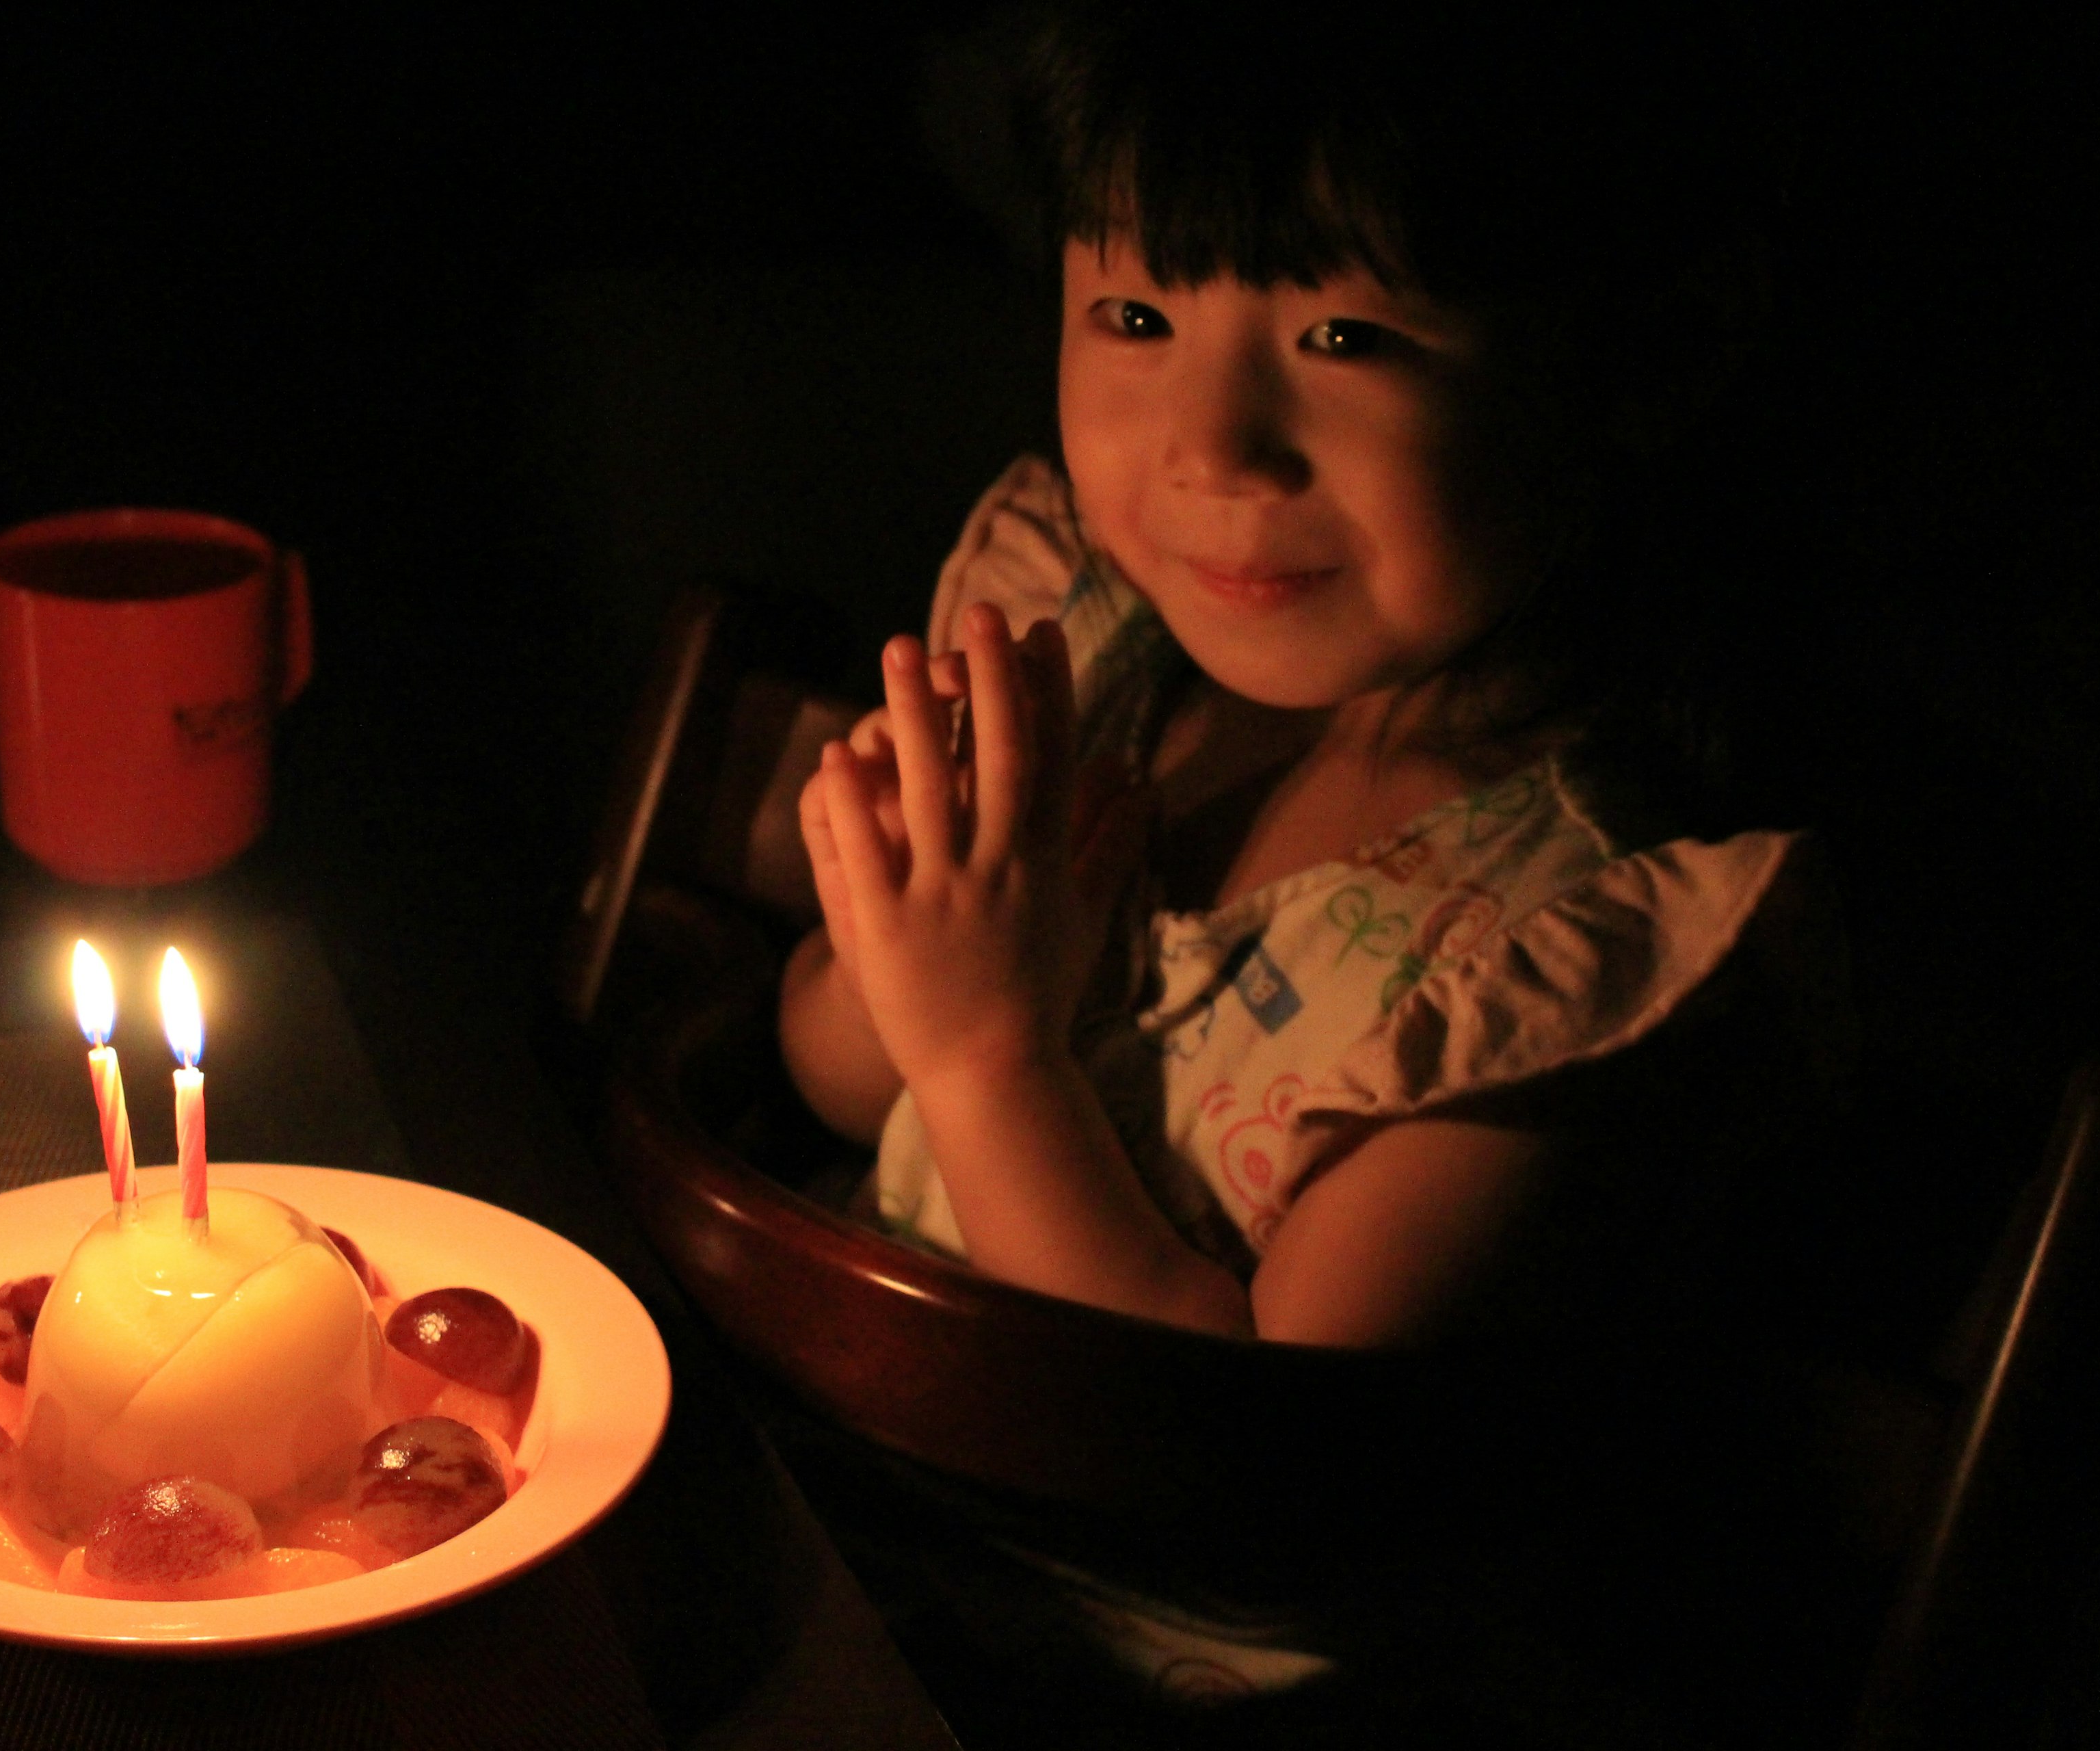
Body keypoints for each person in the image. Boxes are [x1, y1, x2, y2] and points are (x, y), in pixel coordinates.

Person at [773, 4, 1854, 1731]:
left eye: (1347, 331)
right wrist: (916, 954)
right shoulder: (1097, 663)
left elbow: (1235, 1448)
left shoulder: (1562, 961)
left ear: (1645, 355)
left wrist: (995, 1054)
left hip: (1102, 1669)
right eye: (1135, 313)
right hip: (837, 1516)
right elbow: (832, 1075)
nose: (1213, 446)